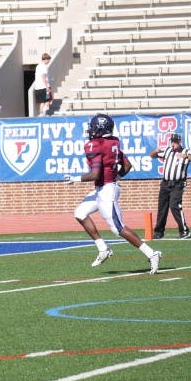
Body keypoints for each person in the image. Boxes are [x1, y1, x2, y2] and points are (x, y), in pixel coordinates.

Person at [64, 113, 162, 274]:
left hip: (106, 191)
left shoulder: (94, 145)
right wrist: (115, 176)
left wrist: (74, 179)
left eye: (93, 127)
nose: (91, 130)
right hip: (105, 188)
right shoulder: (113, 142)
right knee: (80, 213)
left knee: (118, 228)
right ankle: (103, 248)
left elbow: (95, 174)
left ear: (100, 129)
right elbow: (128, 165)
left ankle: (152, 254)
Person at [148, 134, 191, 239]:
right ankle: (159, 232)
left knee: (175, 206)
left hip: (178, 184)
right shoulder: (168, 150)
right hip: (165, 183)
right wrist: (156, 151)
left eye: (175, 142)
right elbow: (152, 155)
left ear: (180, 142)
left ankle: (184, 231)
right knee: (162, 208)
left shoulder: (185, 151)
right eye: (172, 141)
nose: (173, 144)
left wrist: (186, 156)